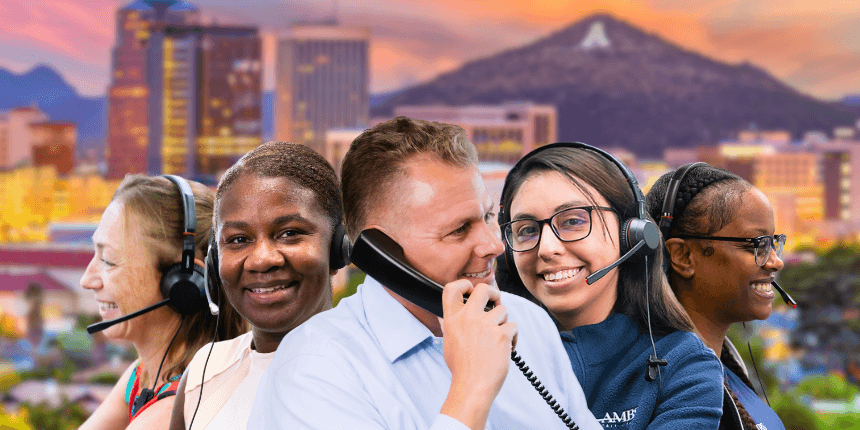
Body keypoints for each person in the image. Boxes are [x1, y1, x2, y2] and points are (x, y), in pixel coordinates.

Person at [248, 117, 601, 430]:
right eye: (460, 229)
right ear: (382, 254)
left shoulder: (526, 322)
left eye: (488, 217)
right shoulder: (314, 369)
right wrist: (472, 388)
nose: (493, 246)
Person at [496, 143, 724, 429]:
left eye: (573, 221)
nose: (546, 248)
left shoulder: (684, 364)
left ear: (631, 234)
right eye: (527, 230)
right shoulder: (485, 355)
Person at [168, 142, 347, 430]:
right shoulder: (204, 372)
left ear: (339, 247)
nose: (262, 260)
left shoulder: (377, 375)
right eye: (238, 239)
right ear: (215, 259)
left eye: (289, 233)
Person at [80, 175, 245, 430]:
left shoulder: (168, 414)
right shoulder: (146, 374)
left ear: (185, 282)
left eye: (109, 261)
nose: (87, 280)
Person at [645, 163, 787, 430]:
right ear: (683, 256)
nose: (775, 262)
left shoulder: (724, 366)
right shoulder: (677, 392)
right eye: (756, 245)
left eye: (773, 243)